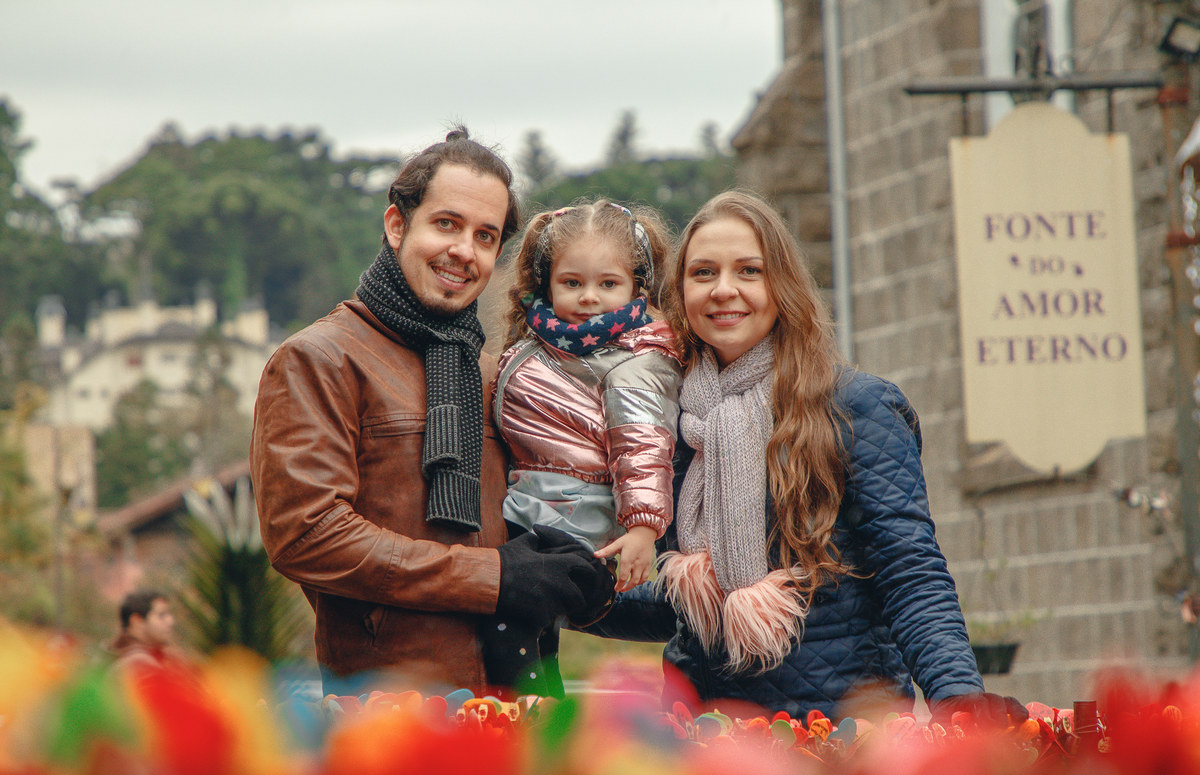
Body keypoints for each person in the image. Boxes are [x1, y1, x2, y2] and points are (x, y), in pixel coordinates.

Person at [584, 191, 1026, 726]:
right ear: (680, 292)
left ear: (782, 285)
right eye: (703, 272)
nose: (725, 290)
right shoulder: (667, 422)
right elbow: (690, 607)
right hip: (705, 737)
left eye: (749, 270)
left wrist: (957, 698)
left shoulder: (857, 407)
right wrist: (567, 593)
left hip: (842, 734)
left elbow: (909, 573)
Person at [250, 128, 614, 697]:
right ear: (397, 225)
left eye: (485, 236)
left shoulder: (497, 373)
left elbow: (542, 518)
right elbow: (308, 536)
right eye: (446, 224)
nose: (464, 251)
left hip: (519, 701)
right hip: (391, 713)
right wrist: (493, 579)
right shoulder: (318, 359)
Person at [484, 200, 681, 694]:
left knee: (511, 626)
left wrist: (642, 529)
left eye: (607, 284)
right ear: (547, 283)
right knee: (524, 631)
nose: (589, 298)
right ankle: (534, 714)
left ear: (638, 286)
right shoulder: (545, 341)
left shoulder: (632, 360)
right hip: (535, 503)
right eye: (572, 283)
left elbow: (643, 446)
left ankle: (530, 718)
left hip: (579, 516)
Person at [108, 589, 184, 674]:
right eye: (161, 615)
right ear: (137, 622)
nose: (171, 621)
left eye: (169, 615)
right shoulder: (137, 666)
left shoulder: (161, 657)